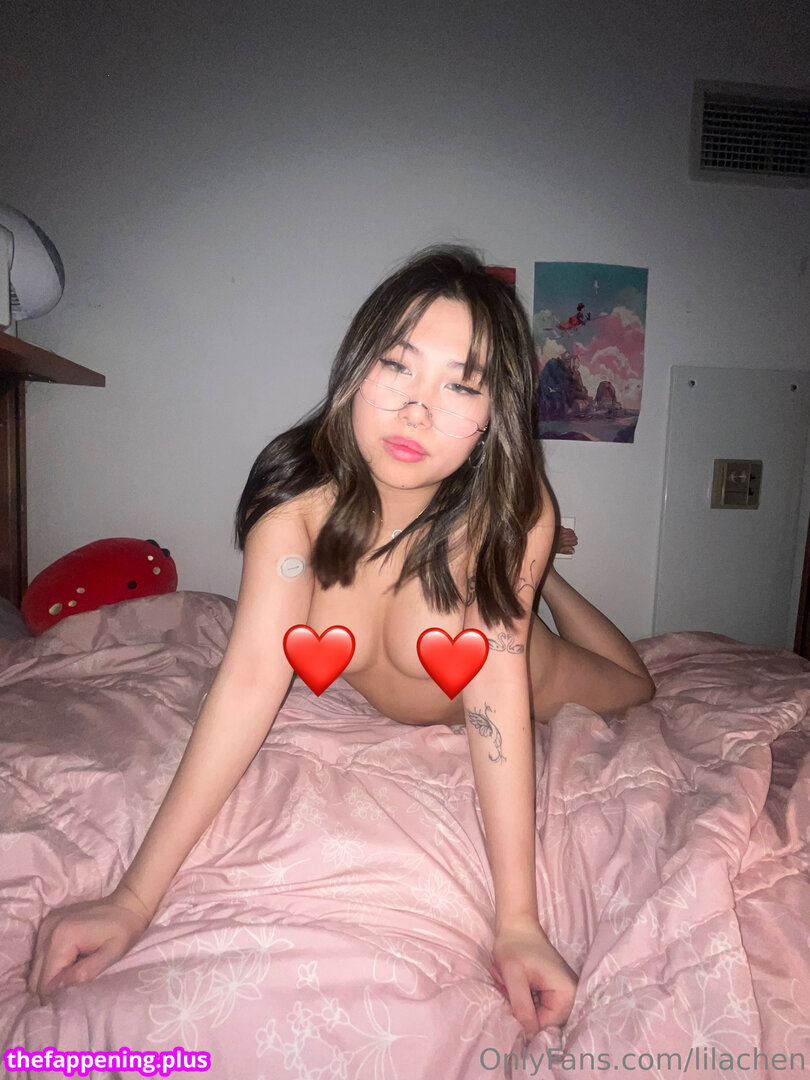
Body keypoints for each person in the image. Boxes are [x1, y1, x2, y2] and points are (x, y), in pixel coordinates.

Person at [27, 244, 655, 1041]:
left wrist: (518, 922)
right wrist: (133, 898)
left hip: (519, 667)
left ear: (493, 415)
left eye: (460, 385)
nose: (416, 410)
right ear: (357, 370)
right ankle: (540, 584)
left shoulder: (513, 512)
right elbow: (249, 680)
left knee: (639, 688)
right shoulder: (293, 511)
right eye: (397, 366)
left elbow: (495, 700)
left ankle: (547, 584)